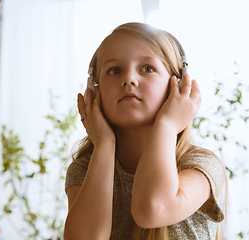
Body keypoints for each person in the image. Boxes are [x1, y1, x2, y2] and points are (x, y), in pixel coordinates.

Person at [64, 22, 228, 240]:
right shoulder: (84, 169)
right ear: (94, 90)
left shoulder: (200, 166)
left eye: (148, 68)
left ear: (177, 86)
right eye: (115, 70)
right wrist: (104, 143)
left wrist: (167, 124)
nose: (129, 79)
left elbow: (151, 210)